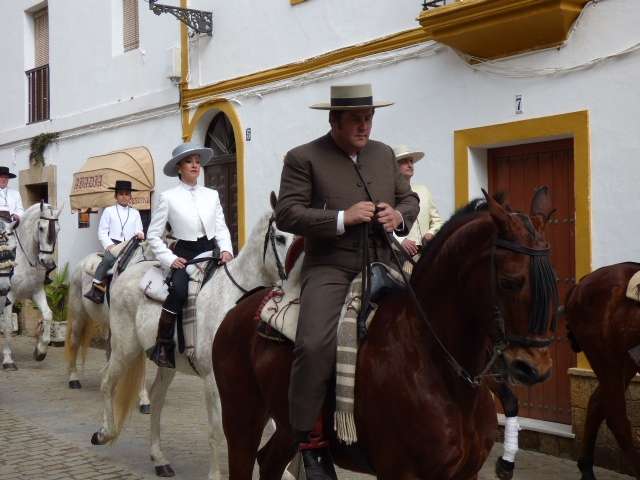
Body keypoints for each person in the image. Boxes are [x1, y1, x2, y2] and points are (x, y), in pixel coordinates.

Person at [275, 84, 419, 479]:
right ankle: (309, 442)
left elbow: (409, 200)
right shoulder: (304, 157)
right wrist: (342, 218)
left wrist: (399, 216)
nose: (364, 126)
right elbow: (287, 214)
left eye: (368, 118)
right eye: (356, 119)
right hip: (331, 266)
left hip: (386, 260)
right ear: (334, 120)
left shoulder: (384, 154)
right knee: (313, 344)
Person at [146, 142, 233, 369]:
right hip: (185, 255)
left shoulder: (212, 195)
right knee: (178, 291)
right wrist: (169, 258)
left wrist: (226, 249)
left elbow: (221, 227)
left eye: (197, 161)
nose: (195, 165)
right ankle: (163, 344)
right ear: (179, 167)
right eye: (189, 162)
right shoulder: (168, 197)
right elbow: (153, 235)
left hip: (212, 252)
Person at [84, 180, 145, 304]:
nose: (124, 197)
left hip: (131, 245)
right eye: (121, 194)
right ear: (116, 196)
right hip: (114, 244)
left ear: (130, 196)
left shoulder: (135, 212)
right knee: (107, 260)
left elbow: (139, 229)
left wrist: (140, 234)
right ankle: (96, 289)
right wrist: (109, 245)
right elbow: (102, 231)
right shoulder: (109, 211)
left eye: (127, 194)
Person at [393, 145, 443, 257]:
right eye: (404, 162)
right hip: (398, 256)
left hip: (424, 254)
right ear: (395, 166)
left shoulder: (423, 190)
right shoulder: (388, 193)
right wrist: (401, 241)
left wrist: (430, 234)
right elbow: (383, 225)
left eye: (411, 161)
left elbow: (437, 221)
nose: (410, 165)